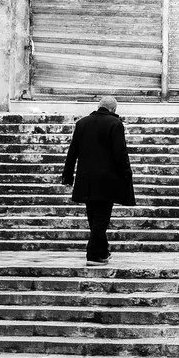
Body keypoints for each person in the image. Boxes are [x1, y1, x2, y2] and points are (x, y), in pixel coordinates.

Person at [61, 96, 136, 264]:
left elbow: (72, 151)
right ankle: (93, 253)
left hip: (86, 179)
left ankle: (102, 251)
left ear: (99, 106)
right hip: (106, 180)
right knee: (102, 217)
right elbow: (120, 153)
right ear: (113, 110)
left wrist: (67, 175)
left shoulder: (82, 123)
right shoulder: (115, 124)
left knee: (93, 216)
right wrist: (126, 173)